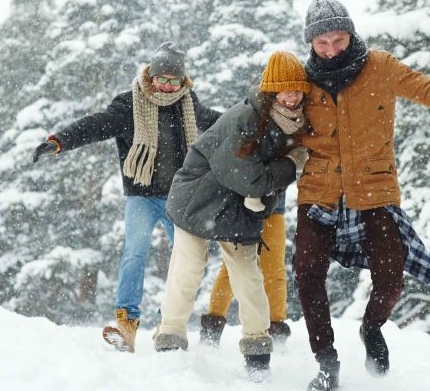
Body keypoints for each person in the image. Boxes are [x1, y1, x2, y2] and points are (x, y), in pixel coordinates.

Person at [293, 0, 430, 390]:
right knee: (307, 273)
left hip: (373, 188)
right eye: (322, 42)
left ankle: (372, 328)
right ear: (311, 44)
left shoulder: (380, 67)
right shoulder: (302, 82)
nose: (332, 49)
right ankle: (326, 362)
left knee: (390, 273)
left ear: (350, 34)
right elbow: (269, 120)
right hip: (320, 191)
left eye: (338, 39)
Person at [32, 41, 222, 353]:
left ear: (184, 81)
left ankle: (169, 322)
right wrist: (59, 141)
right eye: (162, 79)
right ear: (151, 74)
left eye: (174, 81)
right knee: (134, 252)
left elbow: (216, 122)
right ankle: (126, 323)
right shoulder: (129, 105)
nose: (167, 86)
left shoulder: (187, 104)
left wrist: (251, 120)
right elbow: (95, 125)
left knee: (189, 259)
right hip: (142, 196)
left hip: (180, 196)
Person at [153, 51, 310, 378]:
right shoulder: (246, 120)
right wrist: (291, 164)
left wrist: (265, 191)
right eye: (285, 88)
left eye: (298, 88)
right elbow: (250, 178)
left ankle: (256, 348)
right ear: (271, 89)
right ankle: (170, 337)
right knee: (189, 268)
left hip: (237, 207)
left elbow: (259, 183)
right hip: (198, 198)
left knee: (248, 276)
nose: (292, 95)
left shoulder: (292, 121)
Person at [199, 191, 291, 347]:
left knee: (273, 269)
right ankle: (211, 331)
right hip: (241, 201)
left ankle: (277, 333)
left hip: (272, 202)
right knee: (233, 266)